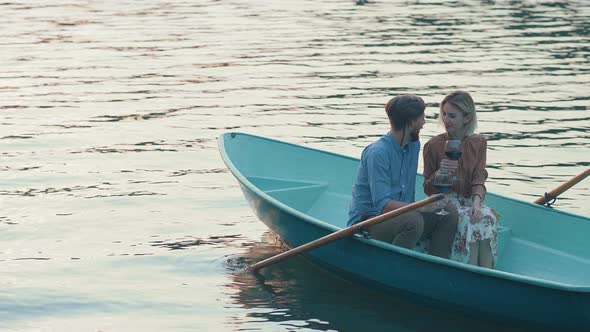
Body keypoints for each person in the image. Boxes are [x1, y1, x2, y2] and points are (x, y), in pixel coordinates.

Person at [348, 95, 458, 258]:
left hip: (403, 216)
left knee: (447, 211)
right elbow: (383, 205)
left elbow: (409, 195)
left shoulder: (413, 145)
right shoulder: (378, 153)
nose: (424, 123)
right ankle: (394, 268)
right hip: (368, 222)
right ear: (410, 122)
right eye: (422, 118)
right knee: (413, 221)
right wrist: (421, 207)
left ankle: (438, 266)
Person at [423, 90, 499, 268]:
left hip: (469, 200)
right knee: (469, 221)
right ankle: (470, 270)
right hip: (444, 200)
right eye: (444, 114)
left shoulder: (479, 142)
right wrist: (439, 174)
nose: (446, 120)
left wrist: (476, 202)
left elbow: (479, 177)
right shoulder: (433, 146)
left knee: (488, 217)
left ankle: (487, 273)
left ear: (466, 118)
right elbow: (427, 188)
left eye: (452, 116)